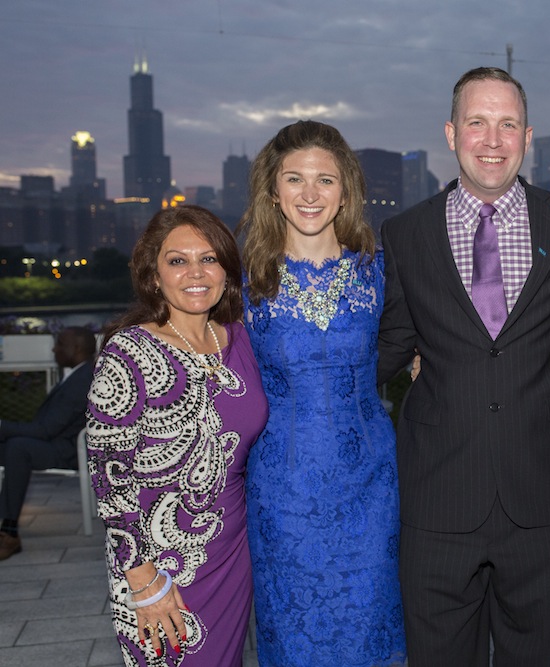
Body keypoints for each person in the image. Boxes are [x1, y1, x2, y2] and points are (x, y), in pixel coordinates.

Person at [377, 66, 550, 666]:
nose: (493, 139)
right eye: (478, 123)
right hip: (438, 499)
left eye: (508, 124)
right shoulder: (404, 234)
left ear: (528, 137)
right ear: (451, 133)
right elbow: (389, 343)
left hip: (542, 499)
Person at [238, 119, 405, 667]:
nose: (310, 194)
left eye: (325, 180)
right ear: (272, 191)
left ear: (346, 192)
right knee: (294, 634)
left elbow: (419, 339)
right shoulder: (244, 282)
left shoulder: (379, 271)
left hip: (371, 487)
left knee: (369, 629)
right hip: (282, 492)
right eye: (295, 179)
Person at [87, 205, 267, 666]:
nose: (195, 272)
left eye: (208, 258)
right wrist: (143, 579)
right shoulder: (128, 353)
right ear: (153, 274)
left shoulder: (243, 341)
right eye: (177, 260)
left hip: (232, 551)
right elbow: (110, 478)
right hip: (157, 565)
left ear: (227, 270)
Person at [0, 326, 96, 560]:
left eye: (60, 343)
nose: (54, 348)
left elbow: (46, 430)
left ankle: (9, 531)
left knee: (18, 448)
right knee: (16, 445)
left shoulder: (83, 379)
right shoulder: (76, 374)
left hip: (68, 451)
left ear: (78, 348)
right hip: (56, 442)